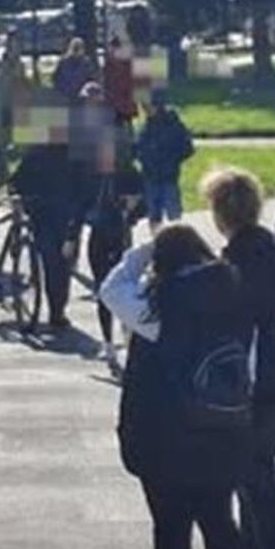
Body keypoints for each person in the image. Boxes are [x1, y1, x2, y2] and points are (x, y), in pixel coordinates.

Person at [100, 225, 252, 549]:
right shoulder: (232, 295)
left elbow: (112, 289)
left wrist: (143, 251)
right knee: (221, 526)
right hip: (224, 429)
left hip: (166, 437)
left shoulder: (160, 305)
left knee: (170, 531)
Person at [202, 167, 275, 549]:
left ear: (221, 213)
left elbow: (231, 330)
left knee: (253, 484)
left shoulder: (234, 266)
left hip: (250, 388)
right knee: (264, 483)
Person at [12, 99, 92, 331]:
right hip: (59, 216)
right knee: (59, 264)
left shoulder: (39, 154)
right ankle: (57, 310)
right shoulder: (68, 155)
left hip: (52, 215)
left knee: (55, 264)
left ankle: (57, 309)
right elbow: (84, 187)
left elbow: (18, 181)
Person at [83, 83, 142, 375]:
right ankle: (114, 339)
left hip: (113, 228)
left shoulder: (116, 172)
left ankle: (120, 337)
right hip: (109, 227)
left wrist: (132, 208)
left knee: (111, 286)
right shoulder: (113, 170)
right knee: (109, 286)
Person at [136, 87, 195, 231]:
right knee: (154, 216)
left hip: (169, 178)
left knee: (173, 216)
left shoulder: (172, 124)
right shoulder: (147, 126)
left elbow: (187, 148)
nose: (145, 110)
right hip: (150, 177)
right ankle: (157, 241)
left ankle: (176, 242)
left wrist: (171, 160)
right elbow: (139, 148)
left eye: (148, 106)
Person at [103, 36, 139, 125]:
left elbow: (108, 74)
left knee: (120, 114)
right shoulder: (126, 58)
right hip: (124, 89)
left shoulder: (113, 59)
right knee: (126, 115)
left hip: (119, 89)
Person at [51, 37, 93, 101]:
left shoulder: (86, 63)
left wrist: (85, 91)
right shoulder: (63, 62)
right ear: (70, 47)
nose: (76, 50)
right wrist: (63, 90)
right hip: (65, 97)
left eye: (78, 47)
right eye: (75, 47)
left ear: (83, 48)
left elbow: (91, 79)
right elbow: (56, 79)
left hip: (83, 98)